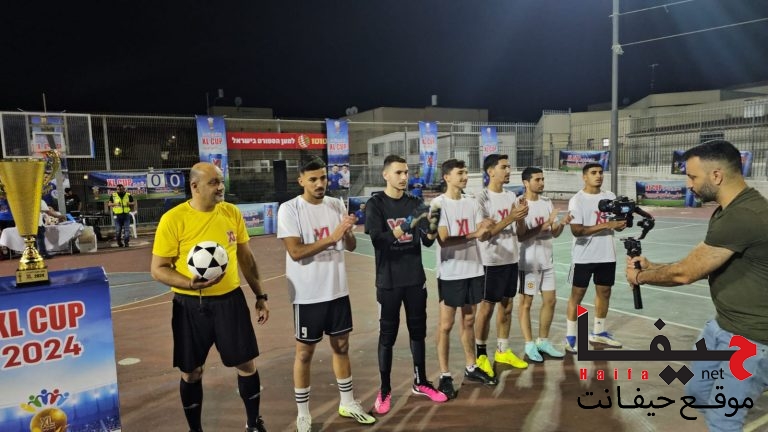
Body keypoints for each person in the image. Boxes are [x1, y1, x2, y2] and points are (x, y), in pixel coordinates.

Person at [625, 140, 768, 432]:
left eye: (692, 177)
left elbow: (685, 274)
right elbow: (703, 264)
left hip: (751, 339)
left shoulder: (743, 216)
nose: (688, 185)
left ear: (716, 175)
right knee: (697, 393)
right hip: (721, 326)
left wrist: (640, 277)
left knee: (723, 420)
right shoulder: (726, 211)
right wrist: (652, 267)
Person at [150, 162, 269, 432]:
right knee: (191, 371)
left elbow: (246, 258)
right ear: (195, 186)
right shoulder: (173, 219)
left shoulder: (231, 212)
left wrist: (260, 295)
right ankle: (195, 430)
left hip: (230, 301)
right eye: (214, 182)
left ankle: (253, 424)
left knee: (246, 364)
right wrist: (189, 284)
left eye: (221, 181)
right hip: (190, 305)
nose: (220, 187)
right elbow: (158, 269)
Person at [277, 157, 375, 432]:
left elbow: (350, 246)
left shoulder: (335, 204)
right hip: (307, 293)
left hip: (337, 289)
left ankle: (347, 402)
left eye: (322, 178)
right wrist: (333, 237)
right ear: (301, 180)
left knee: (341, 346)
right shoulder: (290, 209)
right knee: (304, 353)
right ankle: (303, 414)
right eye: (313, 179)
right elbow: (295, 252)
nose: (320, 184)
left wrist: (348, 232)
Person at [365, 155, 448, 415]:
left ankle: (420, 381)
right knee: (387, 336)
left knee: (418, 332)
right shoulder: (375, 204)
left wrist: (432, 226)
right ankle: (385, 389)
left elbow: (427, 241)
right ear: (386, 175)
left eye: (406, 172)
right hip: (388, 282)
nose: (404, 177)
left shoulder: (415, 203)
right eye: (399, 172)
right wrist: (405, 226)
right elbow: (379, 241)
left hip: (414, 280)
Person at [434, 158, 496, 398]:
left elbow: (483, 235)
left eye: (466, 172)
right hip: (451, 272)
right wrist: (475, 233)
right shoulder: (438, 204)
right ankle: (445, 375)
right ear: (447, 177)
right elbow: (443, 239)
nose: (465, 177)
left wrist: (488, 229)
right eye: (460, 173)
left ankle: (471, 366)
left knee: (469, 320)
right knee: (446, 325)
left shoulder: (472, 202)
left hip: (474, 270)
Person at [473, 154, 529, 379]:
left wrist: (521, 217)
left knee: (506, 307)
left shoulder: (511, 196)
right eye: (504, 167)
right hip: (491, 261)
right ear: (490, 171)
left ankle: (503, 351)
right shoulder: (481, 198)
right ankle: (480, 355)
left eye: (509, 167)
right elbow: (483, 235)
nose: (508, 171)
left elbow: (521, 234)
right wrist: (510, 218)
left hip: (511, 259)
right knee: (486, 309)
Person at [564, 163, 626, 353]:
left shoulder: (610, 197)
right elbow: (577, 231)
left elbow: (616, 224)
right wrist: (607, 225)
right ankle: (570, 337)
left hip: (607, 254)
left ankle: (598, 332)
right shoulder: (577, 200)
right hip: (583, 256)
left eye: (600, 172)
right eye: (593, 173)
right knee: (577, 295)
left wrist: (620, 224)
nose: (598, 176)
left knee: (604, 292)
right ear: (584, 177)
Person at [517, 167, 572, 362]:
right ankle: (529, 344)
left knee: (550, 301)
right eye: (537, 179)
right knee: (526, 303)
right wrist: (545, 224)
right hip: (528, 264)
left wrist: (561, 223)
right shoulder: (520, 204)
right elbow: (521, 236)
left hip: (547, 262)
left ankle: (543, 341)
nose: (542, 183)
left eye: (542, 179)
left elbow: (554, 232)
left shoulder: (547, 202)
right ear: (526, 182)